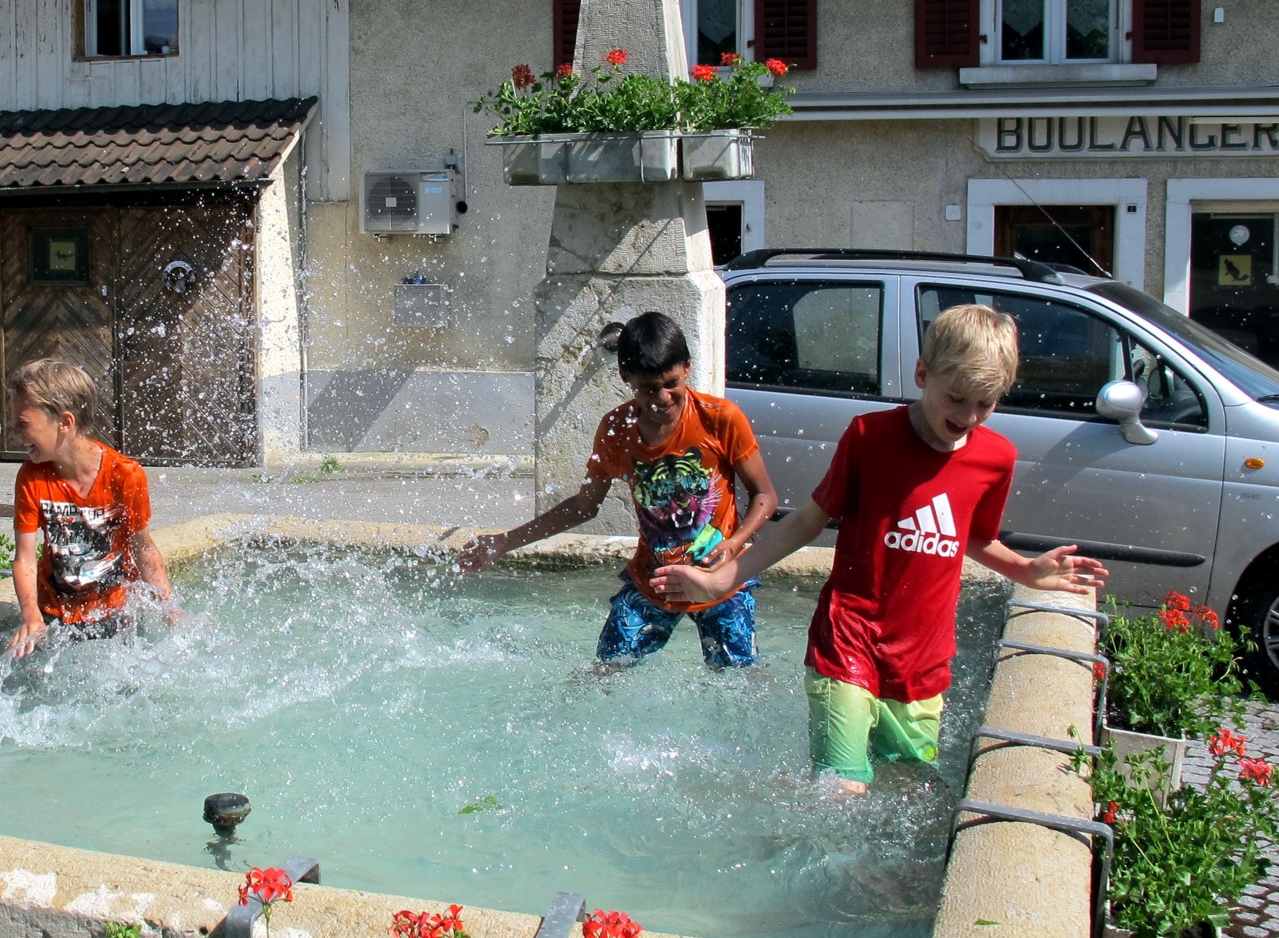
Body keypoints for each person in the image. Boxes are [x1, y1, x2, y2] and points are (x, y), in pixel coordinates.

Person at [669, 304, 1109, 792]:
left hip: (922, 661)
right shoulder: (870, 437)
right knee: (842, 787)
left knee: (904, 787)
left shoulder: (996, 458)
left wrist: (1027, 571)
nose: (968, 416)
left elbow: (975, 537)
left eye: (985, 404)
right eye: (957, 398)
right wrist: (721, 578)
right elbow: (808, 521)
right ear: (922, 374)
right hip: (848, 639)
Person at [459, 312, 779, 670]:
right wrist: (504, 541)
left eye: (671, 383)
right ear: (626, 378)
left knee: (739, 682)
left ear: (687, 367)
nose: (661, 398)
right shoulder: (616, 430)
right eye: (647, 388)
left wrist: (733, 544)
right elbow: (584, 506)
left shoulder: (720, 419)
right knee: (602, 676)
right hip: (652, 583)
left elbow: (764, 496)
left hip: (721, 583)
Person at [7, 357, 174, 658]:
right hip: (54, 614)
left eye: (23, 423)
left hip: (117, 613)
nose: (13, 431)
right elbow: (25, 559)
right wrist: (30, 614)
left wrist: (170, 611)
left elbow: (144, 549)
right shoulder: (31, 478)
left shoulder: (124, 475)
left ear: (65, 422)